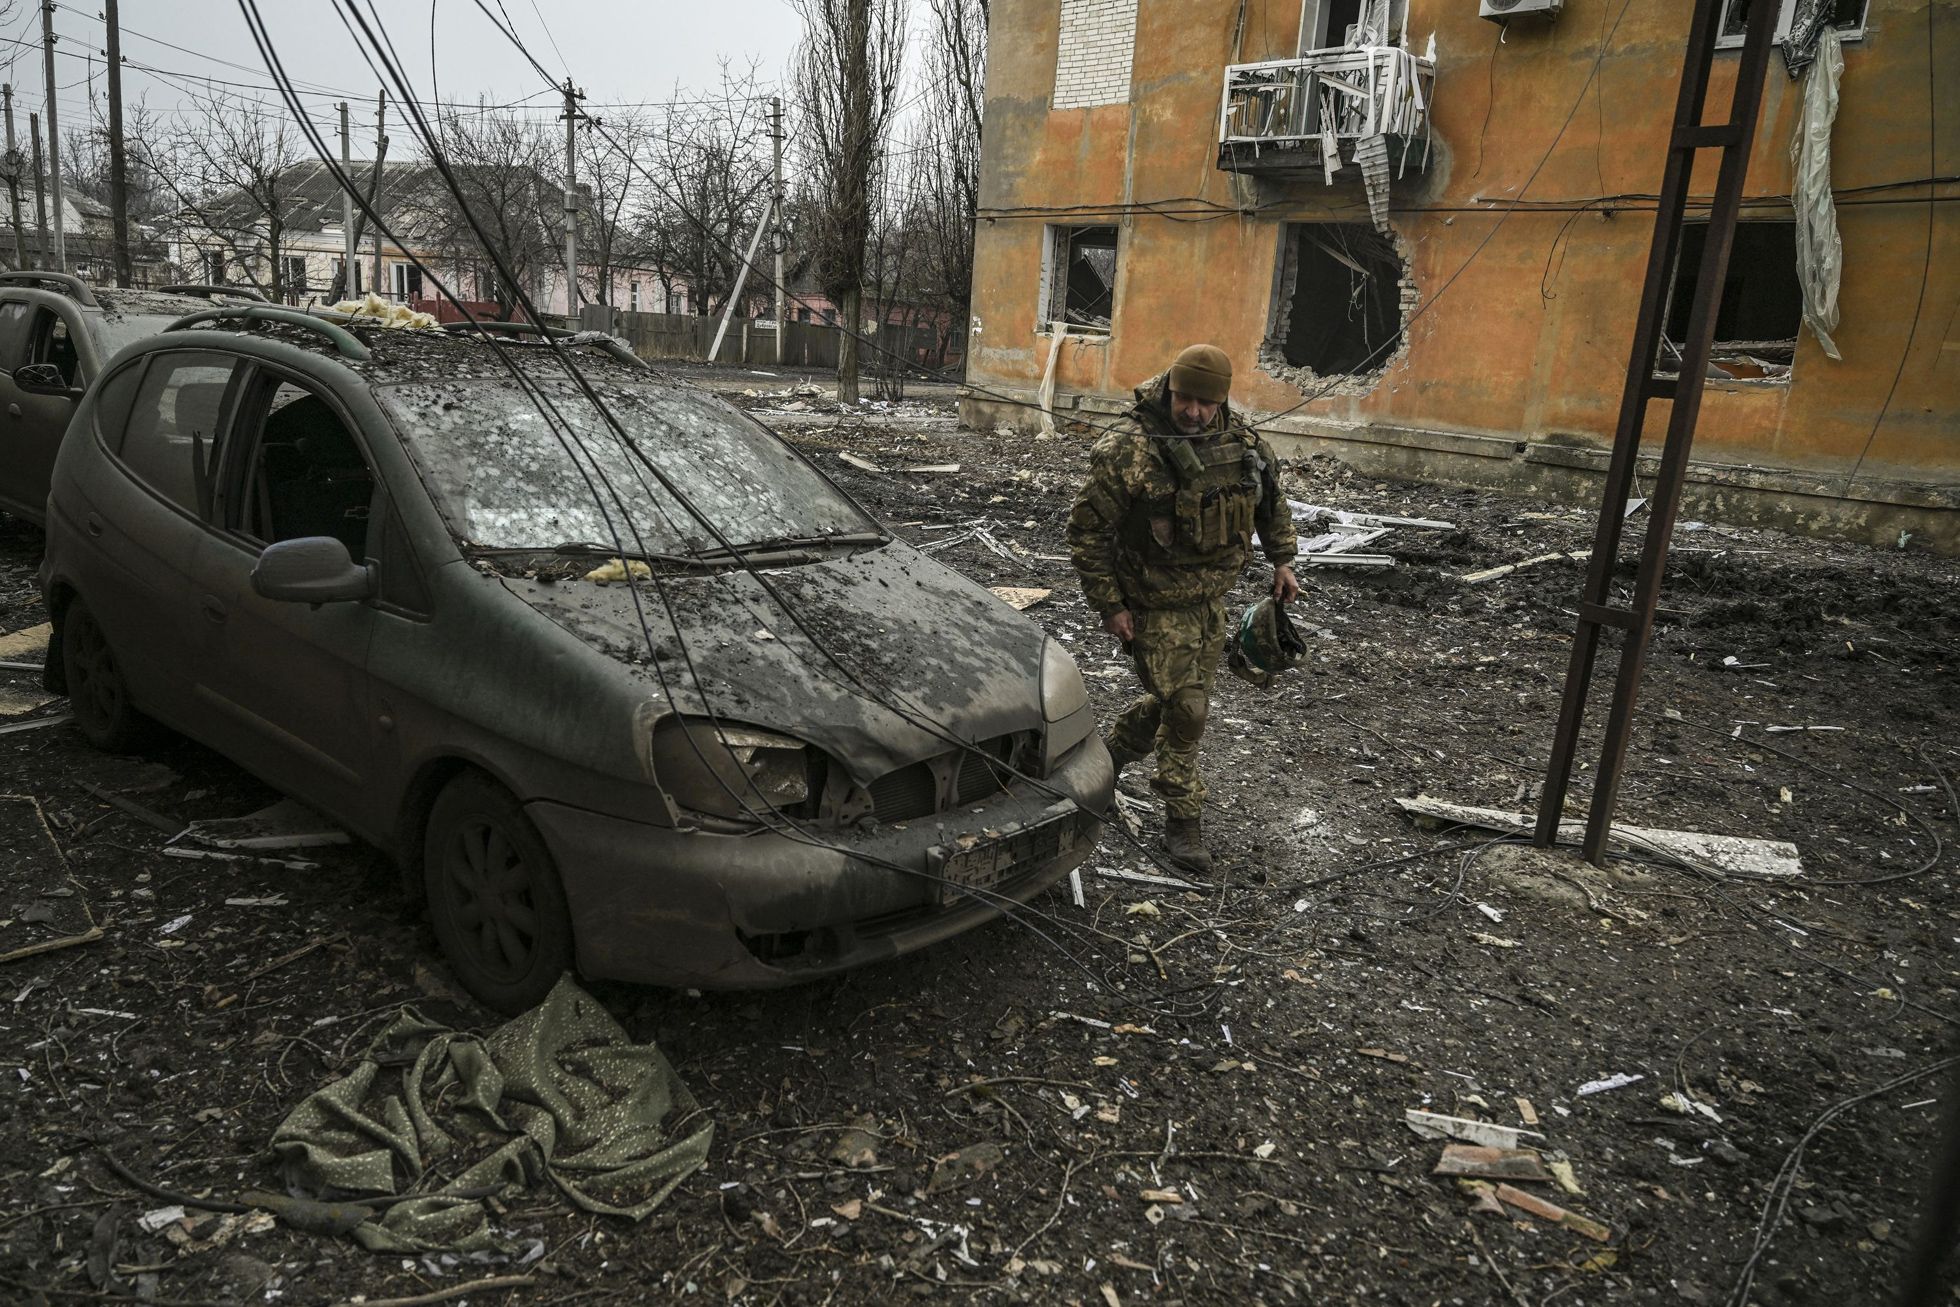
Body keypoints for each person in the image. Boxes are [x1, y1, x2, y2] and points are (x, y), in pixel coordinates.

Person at [1066, 343, 1299, 874]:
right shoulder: (1128, 448)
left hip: (1210, 601)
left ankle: (1105, 760)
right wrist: (1109, 605)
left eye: (1205, 403)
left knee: (1173, 701)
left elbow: (1270, 503)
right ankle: (1182, 817)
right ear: (1169, 388)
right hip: (1151, 603)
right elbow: (1087, 533)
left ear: (1223, 400)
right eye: (1184, 399)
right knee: (1189, 710)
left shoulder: (1241, 443)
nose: (1193, 412)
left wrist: (1283, 560)